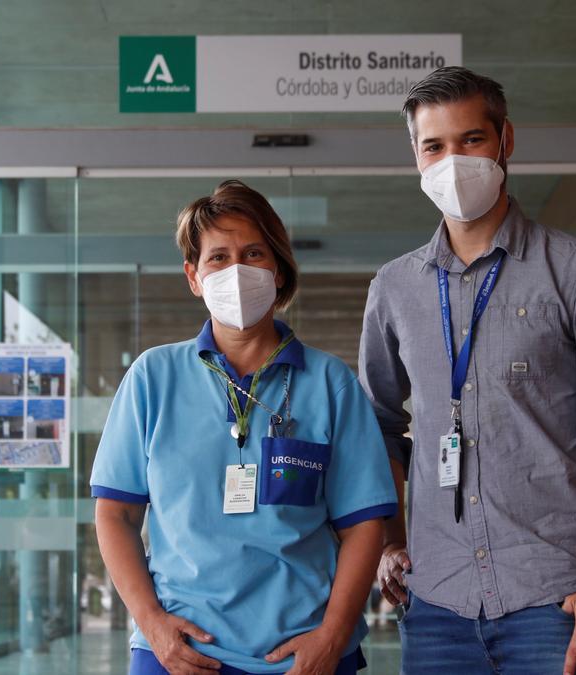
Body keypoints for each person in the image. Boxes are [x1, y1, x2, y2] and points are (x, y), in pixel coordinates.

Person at [358, 67, 576, 675]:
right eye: (434, 146)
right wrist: (391, 540)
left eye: (471, 140)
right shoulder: (393, 288)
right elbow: (379, 427)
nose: (453, 160)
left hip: (561, 602)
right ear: (415, 156)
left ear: (505, 141)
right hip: (436, 603)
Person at [92, 180, 398, 675]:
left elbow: (363, 526)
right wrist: (152, 624)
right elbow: (115, 516)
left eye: (253, 253)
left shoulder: (330, 384)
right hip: (178, 654)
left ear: (278, 269)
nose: (236, 270)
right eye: (218, 257)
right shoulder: (153, 377)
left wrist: (333, 635)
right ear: (193, 276)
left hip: (307, 656)